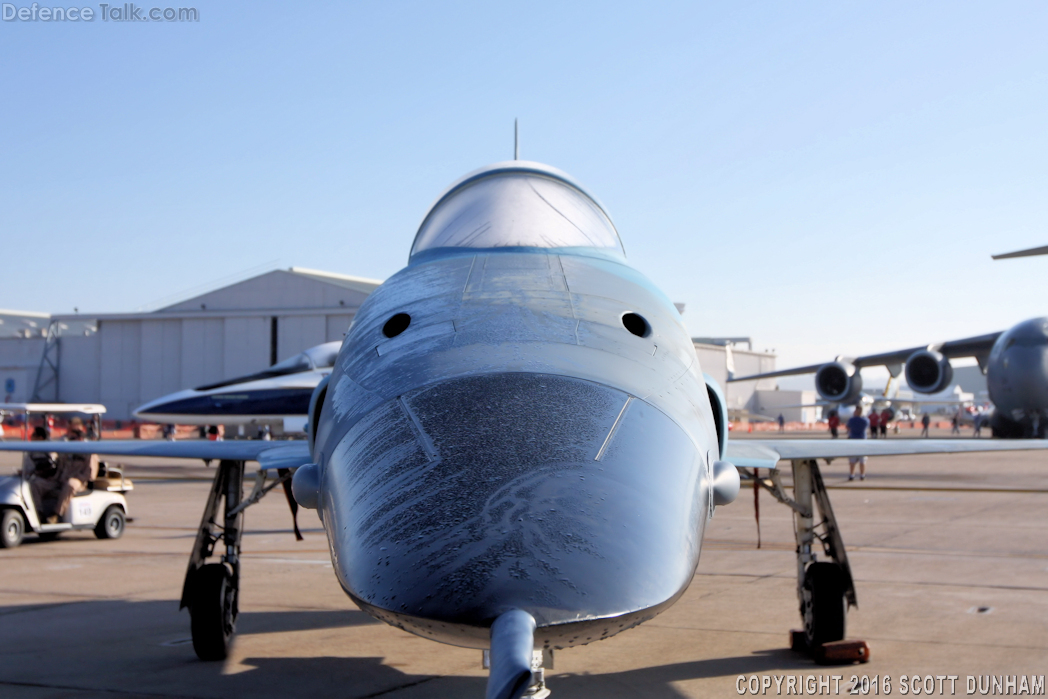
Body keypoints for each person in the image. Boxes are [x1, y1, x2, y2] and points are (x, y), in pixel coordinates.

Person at [846, 406, 870, 481]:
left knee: (852, 461)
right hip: (862, 441)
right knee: (862, 461)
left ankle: (852, 474)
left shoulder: (851, 420)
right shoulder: (865, 420)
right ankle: (862, 475)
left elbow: (848, 427)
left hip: (853, 441)